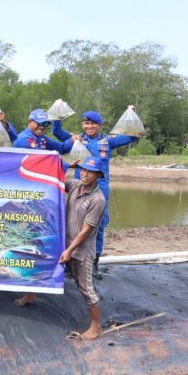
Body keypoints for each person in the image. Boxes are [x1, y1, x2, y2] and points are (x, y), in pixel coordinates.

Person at [14, 158, 107, 340]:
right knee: (42, 268)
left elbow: (86, 231)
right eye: (83, 170)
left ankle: (96, 326)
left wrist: (70, 250)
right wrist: (65, 165)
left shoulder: (98, 200)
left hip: (80, 250)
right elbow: (52, 183)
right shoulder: (74, 185)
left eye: (90, 172)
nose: (85, 174)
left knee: (85, 288)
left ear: (98, 176)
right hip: (61, 243)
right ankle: (31, 295)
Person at [51, 110, 140, 278]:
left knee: (97, 227)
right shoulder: (76, 140)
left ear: (99, 125)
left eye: (93, 123)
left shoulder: (108, 141)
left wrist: (131, 115)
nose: (89, 126)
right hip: (79, 188)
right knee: (74, 225)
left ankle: (93, 264)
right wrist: (57, 113)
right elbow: (56, 132)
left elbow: (133, 136)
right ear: (82, 125)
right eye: (86, 123)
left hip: (100, 189)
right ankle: (72, 263)